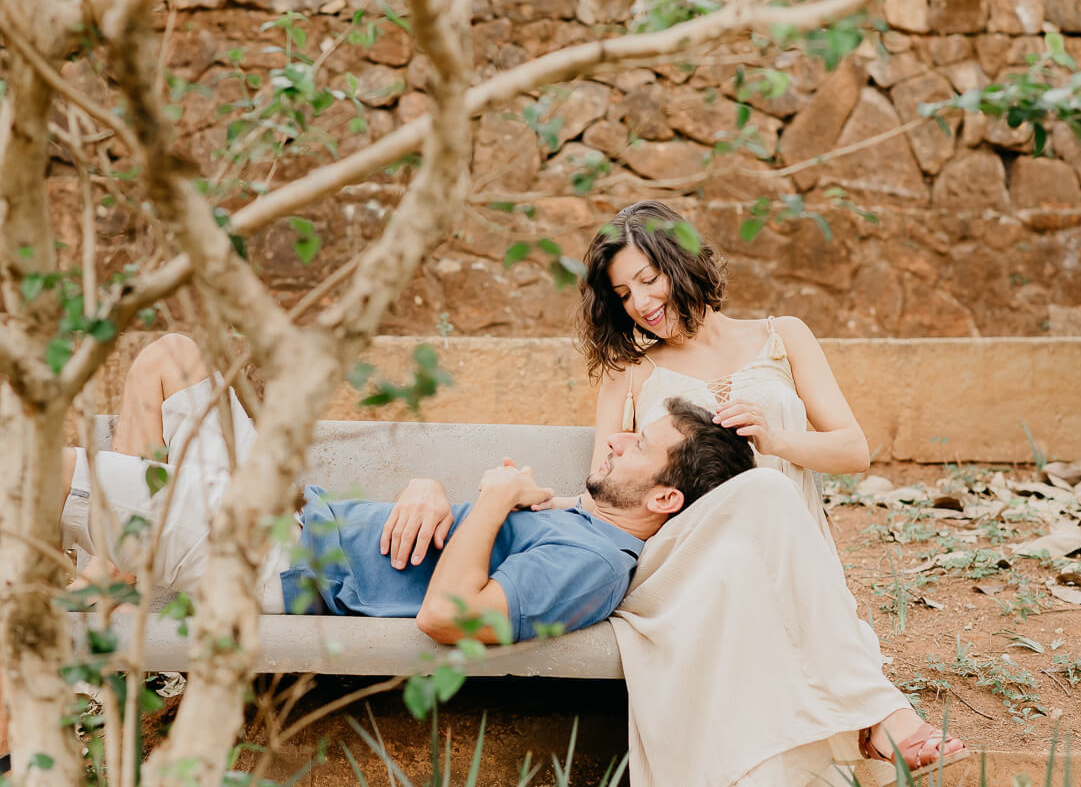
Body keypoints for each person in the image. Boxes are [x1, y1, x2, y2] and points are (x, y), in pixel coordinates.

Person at [572, 200, 969, 786]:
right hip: (681, 562)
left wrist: (777, 438)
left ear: (679, 262)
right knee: (758, 492)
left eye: (648, 280)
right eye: (624, 294)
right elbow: (607, 487)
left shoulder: (783, 336)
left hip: (785, 559)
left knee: (765, 501)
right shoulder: (630, 370)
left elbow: (854, 450)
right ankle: (884, 719)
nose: (642, 303)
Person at [50, 334, 757, 644]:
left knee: (36, 467)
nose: (619, 437)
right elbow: (454, 547)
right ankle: (110, 575)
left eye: (643, 444)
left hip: (267, 559)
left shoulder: (594, 565)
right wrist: (431, 486)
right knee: (171, 357)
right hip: (288, 511)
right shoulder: (580, 521)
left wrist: (492, 494)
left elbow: (449, 617)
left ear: (666, 498)